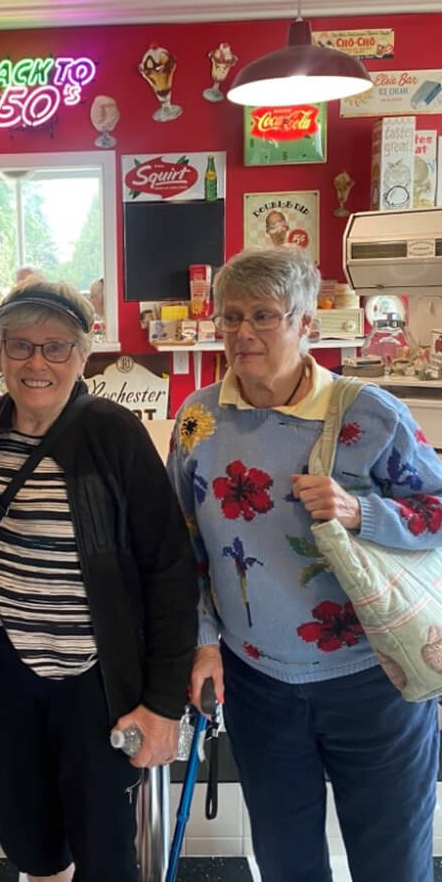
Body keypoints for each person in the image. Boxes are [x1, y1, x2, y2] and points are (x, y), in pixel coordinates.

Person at [0, 276, 198, 882]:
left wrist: (164, 703)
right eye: (20, 345)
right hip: (7, 666)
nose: (36, 362)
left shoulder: (114, 434)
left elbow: (169, 571)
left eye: (56, 346)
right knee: (29, 837)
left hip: (94, 678)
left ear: (83, 353)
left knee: (104, 845)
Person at [168, 247, 442, 882]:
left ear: (305, 324)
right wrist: (205, 643)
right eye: (231, 317)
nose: (244, 333)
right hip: (259, 685)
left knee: (392, 863)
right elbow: (182, 548)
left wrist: (362, 513)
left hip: (374, 682)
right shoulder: (199, 420)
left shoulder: (368, 413)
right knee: (287, 863)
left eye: (265, 316)